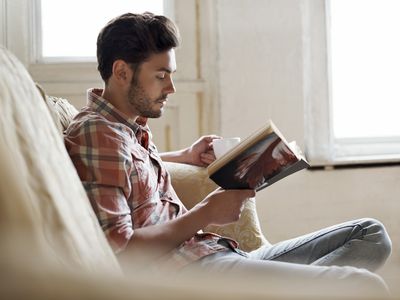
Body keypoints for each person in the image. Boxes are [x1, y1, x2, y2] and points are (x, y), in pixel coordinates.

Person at [64, 12, 392, 294]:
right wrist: (206, 212)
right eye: (161, 75)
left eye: (172, 75)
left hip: (213, 254)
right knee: (364, 286)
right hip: (191, 274)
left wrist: (184, 155)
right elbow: (122, 253)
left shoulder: (123, 128)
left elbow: (126, 169)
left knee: (369, 234)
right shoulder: (97, 134)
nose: (171, 88)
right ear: (122, 72)